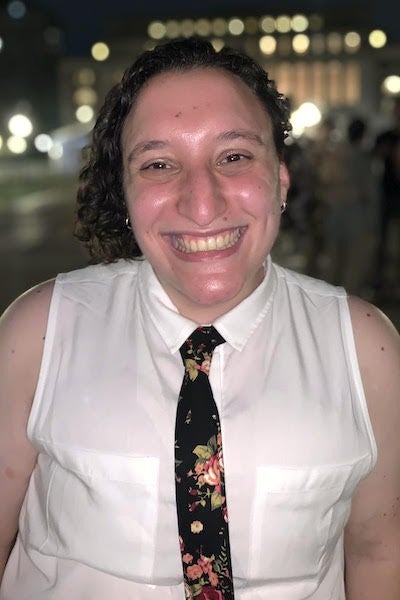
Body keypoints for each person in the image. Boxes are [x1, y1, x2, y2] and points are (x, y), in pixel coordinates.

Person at [0, 37, 399, 600]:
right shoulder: (35, 333)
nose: (202, 203)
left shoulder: (368, 351)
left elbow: (381, 553)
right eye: (159, 164)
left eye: (233, 156)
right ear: (126, 189)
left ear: (280, 180)